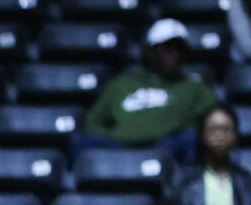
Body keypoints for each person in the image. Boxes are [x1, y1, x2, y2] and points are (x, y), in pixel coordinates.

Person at [87, 20, 219, 151]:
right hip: (119, 147)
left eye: (179, 48)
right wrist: (114, 136)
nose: (174, 54)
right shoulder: (121, 84)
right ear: (150, 51)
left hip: (168, 149)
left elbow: (215, 119)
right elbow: (92, 122)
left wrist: (188, 127)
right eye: (167, 47)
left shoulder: (194, 87)